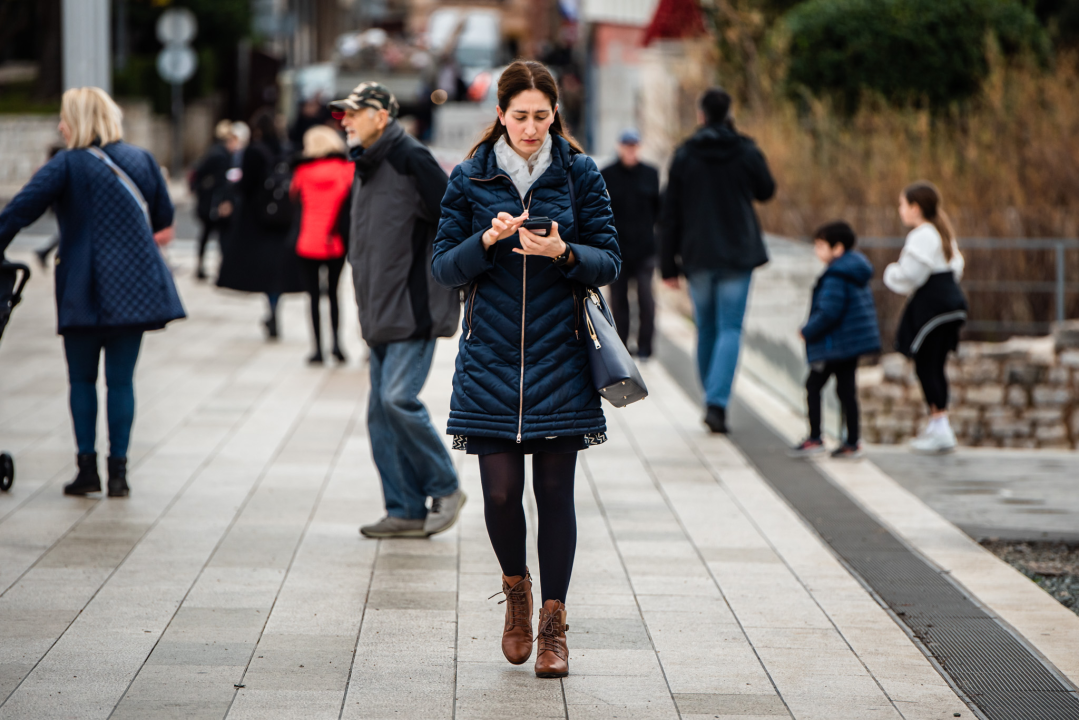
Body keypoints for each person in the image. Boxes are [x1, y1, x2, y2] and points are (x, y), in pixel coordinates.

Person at [432, 60, 621, 680]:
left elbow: (609, 260)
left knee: (555, 495)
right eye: (521, 116)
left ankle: (553, 625)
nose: (532, 128)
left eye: (542, 116)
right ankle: (517, 592)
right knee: (499, 494)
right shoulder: (469, 176)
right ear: (500, 115)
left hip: (561, 356)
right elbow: (444, 267)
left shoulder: (580, 172)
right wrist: (487, 242)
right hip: (489, 359)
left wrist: (563, 252)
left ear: (555, 114)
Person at [0, 87, 185, 497]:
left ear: (77, 120)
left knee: (82, 380)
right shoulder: (142, 159)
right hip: (134, 287)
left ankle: (87, 471)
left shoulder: (66, 164)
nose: (60, 126)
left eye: (64, 118)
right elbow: (163, 217)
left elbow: (18, 212)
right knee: (121, 382)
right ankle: (119, 474)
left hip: (82, 286)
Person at [329, 83, 465, 539]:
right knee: (380, 415)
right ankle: (405, 508)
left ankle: (445, 486)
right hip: (380, 313)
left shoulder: (410, 157)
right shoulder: (365, 164)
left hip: (412, 309)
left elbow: (456, 218)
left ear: (381, 116)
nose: (345, 120)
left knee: (397, 400)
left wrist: (447, 281)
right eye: (343, 114)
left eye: (354, 112)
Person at [659, 87, 776, 434]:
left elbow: (668, 214)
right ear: (729, 114)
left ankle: (711, 397)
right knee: (730, 328)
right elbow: (766, 190)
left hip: (697, 254)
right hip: (738, 253)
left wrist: (667, 265)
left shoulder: (684, 155)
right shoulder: (745, 150)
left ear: (701, 115)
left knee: (706, 327)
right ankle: (717, 402)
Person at [885, 181, 967, 454]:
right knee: (936, 365)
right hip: (951, 304)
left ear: (915, 207)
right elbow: (956, 267)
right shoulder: (942, 233)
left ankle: (940, 427)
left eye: (902, 204)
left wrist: (890, 273)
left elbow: (911, 274)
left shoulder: (922, 235)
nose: (900, 210)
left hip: (933, 308)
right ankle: (938, 425)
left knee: (926, 366)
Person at [790, 222, 881, 459]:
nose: (816, 251)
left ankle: (815, 437)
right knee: (846, 391)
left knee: (813, 386)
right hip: (851, 344)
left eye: (820, 246)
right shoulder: (855, 271)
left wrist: (807, 330)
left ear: (837, 248)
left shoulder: (835, 275)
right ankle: (852, 441)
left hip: (833, 345)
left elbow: (829, 312)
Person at [216, 108, 303, 339]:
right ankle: (275, 307)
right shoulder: (289, 149)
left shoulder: (254, 151)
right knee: (278, 268)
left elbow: (246, 185)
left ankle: (270, 308)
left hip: (257, 218)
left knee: (263, 269)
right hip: (284, 216)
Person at [289, 125, 353, 365]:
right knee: (335, 293)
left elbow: (293, 200)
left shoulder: (302, 172)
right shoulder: (346, 170)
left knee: (313, 296)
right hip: (335, 241)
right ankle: (337, 345)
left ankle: (317, 349)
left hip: (307, 241)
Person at [601, 128, 660, 359]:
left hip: (645, 250)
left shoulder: (650, 174)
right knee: (618, 301)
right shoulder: (607, 174)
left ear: (639, 147)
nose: (630, 150)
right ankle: (622, 347)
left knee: (646, 298)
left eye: (634, 146)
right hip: (617, 250)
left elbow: (659, 212)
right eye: (627, 146)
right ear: (620, 147)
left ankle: (645, 347)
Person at [190, 120, 233, 280]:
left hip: (209, 201)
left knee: (208, 235)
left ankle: (203, 266)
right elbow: (221, 181)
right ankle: (220, 268)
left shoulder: (215, 152)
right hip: (213, 202)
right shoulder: (221, 155)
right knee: (220, 236)